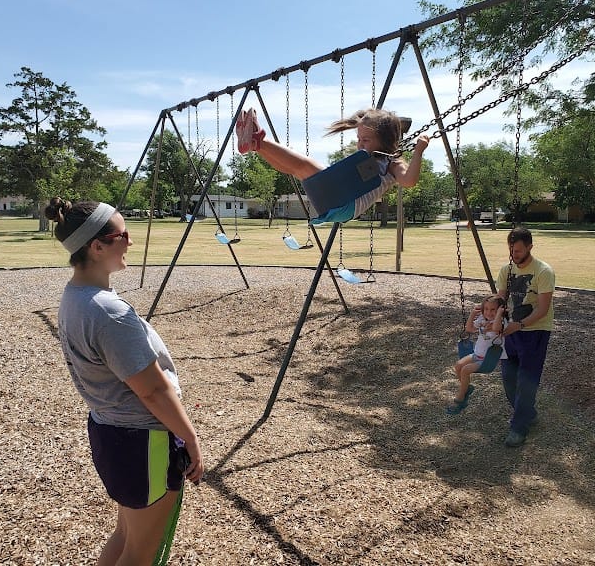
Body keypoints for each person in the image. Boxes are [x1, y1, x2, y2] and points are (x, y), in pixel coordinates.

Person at [45, 197, 204, 565]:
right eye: (123, 234)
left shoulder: (76, 296)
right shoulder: (107, 311)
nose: (131, 241)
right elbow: (152, 390)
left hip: (113, 433)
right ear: (97, 247)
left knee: (126, 536)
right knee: (141, 553)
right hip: (143, 442)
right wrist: (191, 439)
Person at [235, 107, 429, 223]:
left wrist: (418, 152)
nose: (360, 144)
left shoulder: (393, 163)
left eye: (366, 140)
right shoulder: (367, 156)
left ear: (385, 140)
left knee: (306, 167)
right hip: (336, 201)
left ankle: (259, 141)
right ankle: (256, 146)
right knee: (296, 170)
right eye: (359, 139)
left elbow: (409, 181)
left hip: (347, 205)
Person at [484, 226, 555, 447]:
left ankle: (518, 428)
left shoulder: (543, 272)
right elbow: (501, 301)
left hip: (535, 331)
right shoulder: (507, 270)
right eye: (511, 250)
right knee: (508, 379)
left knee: (526, 381)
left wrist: (520, 325)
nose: (514, 255)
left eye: (519, 251)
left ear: (530, 247)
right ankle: (527, 414)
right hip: (510, 331)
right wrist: (488, 312)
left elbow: (542, 310)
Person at [446, 295, 508, 415]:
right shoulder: (482, 319)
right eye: (486, 309)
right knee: (458, 366)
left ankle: (460, 398)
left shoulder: (501, 322)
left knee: (465, 370)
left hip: (488, 359)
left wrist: (500, 314)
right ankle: (467, 388)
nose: (489, 312)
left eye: (493, 310)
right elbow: (469, 328)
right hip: (477, 355)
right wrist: (473, 314)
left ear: (500, 310)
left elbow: (495, 328)